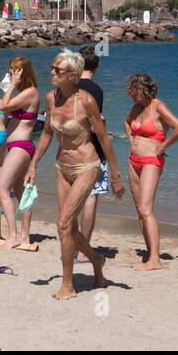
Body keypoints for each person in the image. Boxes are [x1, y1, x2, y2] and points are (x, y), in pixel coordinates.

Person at [27, 50, 125, 299]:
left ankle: (68, 285)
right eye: (52, 67)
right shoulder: (51, 98)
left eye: (57, 70)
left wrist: (115, 174)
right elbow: (48, 134)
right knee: (67, 226)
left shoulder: (86, 102)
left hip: (87, 166)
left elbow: (103, 137)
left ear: (73, 76)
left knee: (62, 223)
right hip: (62, 166)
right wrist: (33, 165)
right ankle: (96, 259)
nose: (51, 72)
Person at [122, 72, 178, 270]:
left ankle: (155, 260)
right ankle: (149, 253)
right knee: (139, 210)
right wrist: (132, 140)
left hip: (151, 161)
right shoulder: (136, 108)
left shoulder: (158, 106)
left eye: (131, 89)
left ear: (140, 89)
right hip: (134, 160)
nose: (129, 93)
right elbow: (126, 123)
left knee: (145, 209)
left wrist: (163, 146)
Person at [0, 56, 41, 248]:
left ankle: (13, 235)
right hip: (19, 147)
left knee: (0, 190)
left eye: (13, 72)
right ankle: (25, 236)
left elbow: (4, 106)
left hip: (21, 147)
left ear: (22, 73)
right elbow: (5, 110)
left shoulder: (30, 93)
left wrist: (12, 85)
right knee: (21, 192)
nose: (10, 74)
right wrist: (12, 86)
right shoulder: (26, 94)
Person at [76, 45, 106, 246]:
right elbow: (95, 123)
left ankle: (71, 245)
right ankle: (83, 247)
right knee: (90, 196)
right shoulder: (97, 90)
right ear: (97, 66)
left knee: (72, 198)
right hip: (92, 147)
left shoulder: (69, 87)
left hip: (71, 147)